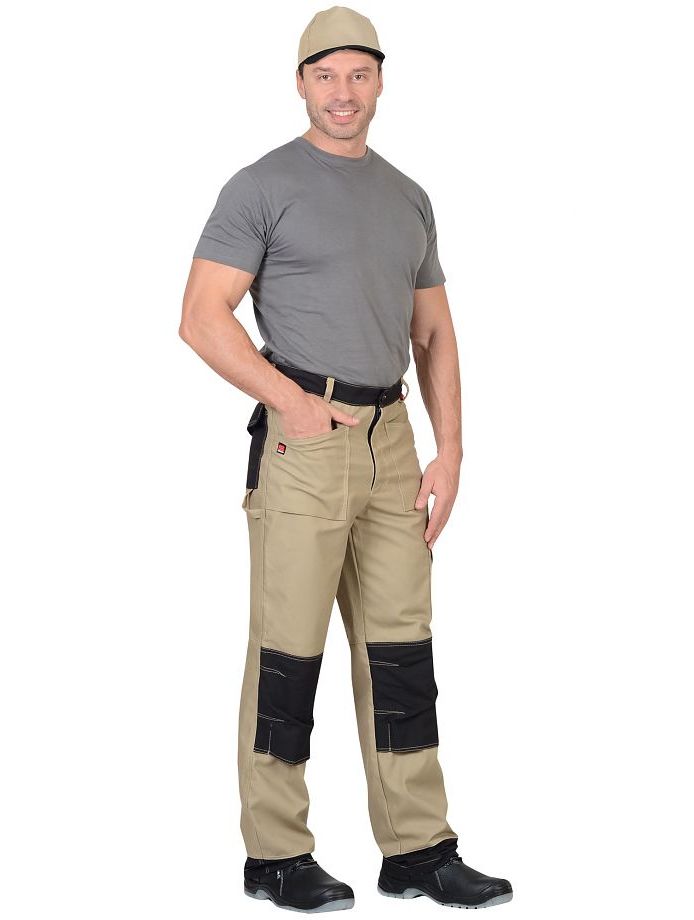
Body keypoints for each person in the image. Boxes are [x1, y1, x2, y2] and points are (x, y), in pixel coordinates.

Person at [179, 5, 513, 913]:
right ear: (300, 83)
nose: (342, 91)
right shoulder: (261, 186)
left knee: (402, 650)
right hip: (304, 440)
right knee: (287, 653)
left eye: (358, 74)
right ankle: (275, 854)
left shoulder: (408, 195)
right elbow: (201, 317)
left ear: (380, 81)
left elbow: (434, 332)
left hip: (394, 442)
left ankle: (417, 848)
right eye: (325, 75)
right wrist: (292, 403)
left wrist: (450, 451)